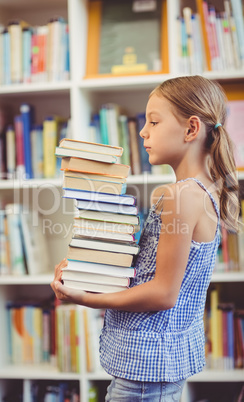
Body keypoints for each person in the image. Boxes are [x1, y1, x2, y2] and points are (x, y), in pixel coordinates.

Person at [51, 75, 240, 401]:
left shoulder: (181, 196)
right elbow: (152, 273)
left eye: (153, 121)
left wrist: (84, 298)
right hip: (154, 364)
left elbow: (162, 294)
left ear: (191, 129)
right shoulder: (201, 192)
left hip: (145, 369)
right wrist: (90, 271)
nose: (143, 131)